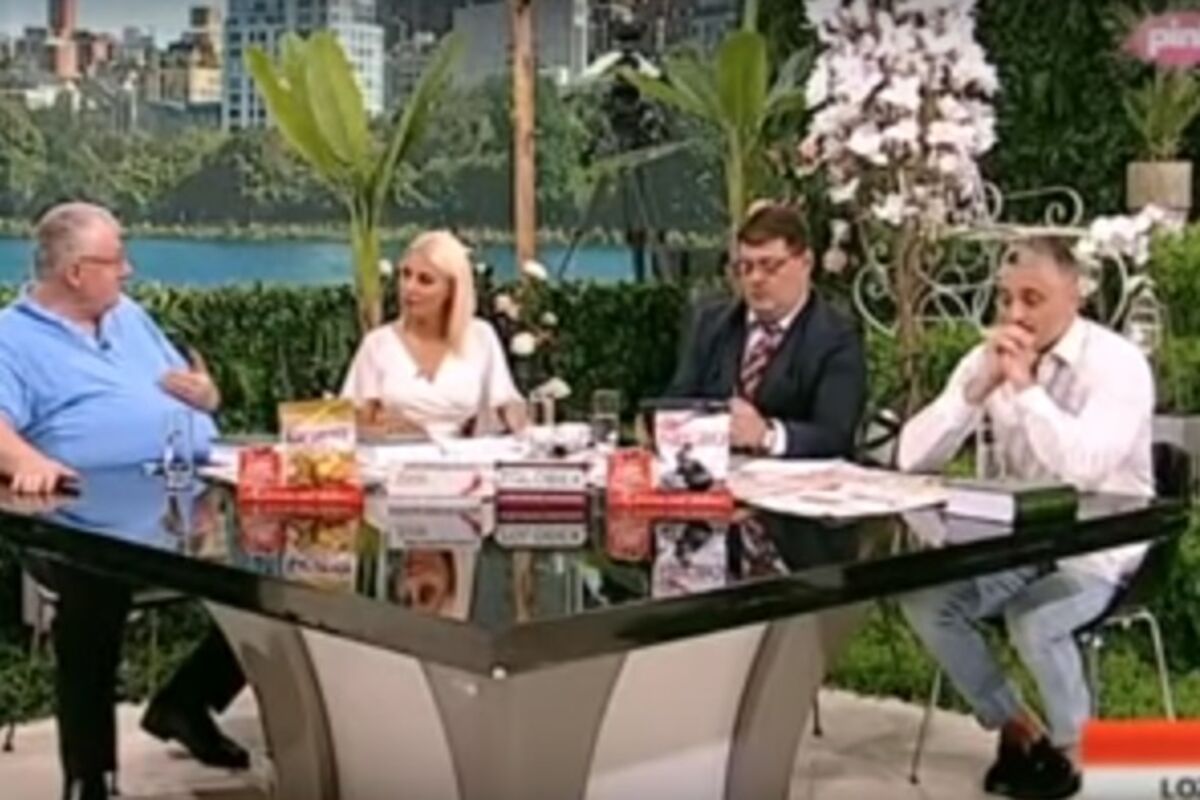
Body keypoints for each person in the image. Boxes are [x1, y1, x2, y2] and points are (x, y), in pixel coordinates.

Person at [0, 202, 249, 800]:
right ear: (75, 273)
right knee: (94, 587)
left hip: (183, 495)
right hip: (86, 511)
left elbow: (190, 390)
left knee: (281, 572)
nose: (129, 270)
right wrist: (25, 460)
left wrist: (207, 395)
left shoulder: (129, 317)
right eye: (116, 260)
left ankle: (187, 701)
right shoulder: (12, 337)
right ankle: (89, 779)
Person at [896, 236, 1156, 800]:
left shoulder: (1117, 364)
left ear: (1074, 296)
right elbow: (910, 457)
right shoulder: (992, 356)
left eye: (1032, 299)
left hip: (1102, 546)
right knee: (925, 600)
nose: (1015, 314)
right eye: (1006, 298)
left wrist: (1027, 389)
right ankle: (1020, 729)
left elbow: (1084, 467)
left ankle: (1078, 757)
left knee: (1034, 619)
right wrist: (974, 392)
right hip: (1018, 543)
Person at [665, 203, 867, 458]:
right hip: (712, 470)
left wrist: (766, 435)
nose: (755, 279)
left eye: (769, 266)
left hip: (793, 478)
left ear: (806, 262)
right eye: (745, 267)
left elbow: (835, 435)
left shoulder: (837, 337)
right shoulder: (711, 324)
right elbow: (677, 405)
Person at [341, 230, 525, 438]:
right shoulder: (378, 344)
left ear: (452, 290)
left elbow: (508, 407)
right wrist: (389, 432)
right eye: (405, 274)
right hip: (396, 453)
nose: (409, 287)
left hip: (463, 454)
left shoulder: (480, 336)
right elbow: (351, 424)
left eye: (425, 280)